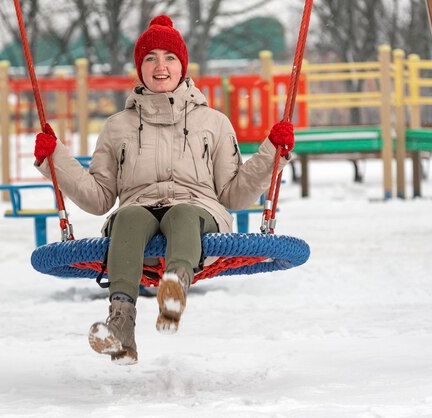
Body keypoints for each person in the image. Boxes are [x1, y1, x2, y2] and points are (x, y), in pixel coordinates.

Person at [34, 15, 294, 365]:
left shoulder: (213, 123)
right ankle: (121, 325)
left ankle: (175, 288)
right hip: (137, 217)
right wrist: (55, 159)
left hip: (200, 215)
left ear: (182, 66)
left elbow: (234, 195)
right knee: (127, 216)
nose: (161, 66)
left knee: (183, 212)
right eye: (150, 58)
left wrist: (270, 154)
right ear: (139, 68)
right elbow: (98, 199)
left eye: (169, 58)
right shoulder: (117, 128)